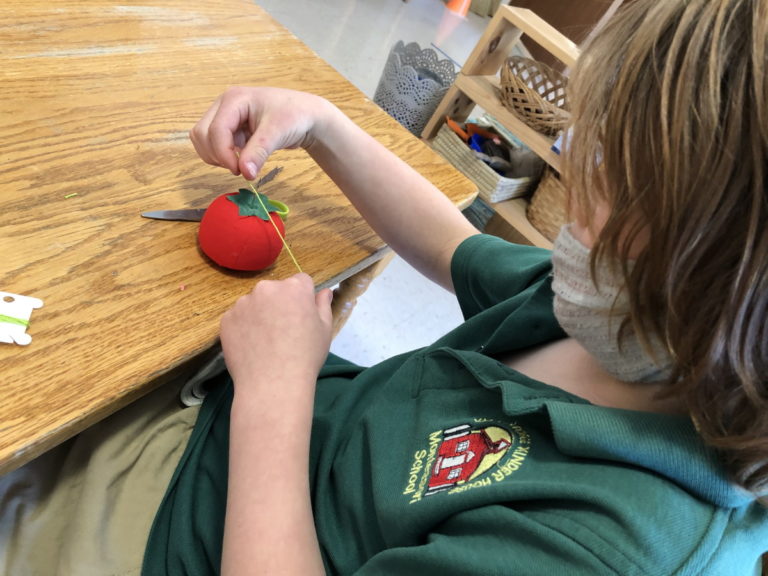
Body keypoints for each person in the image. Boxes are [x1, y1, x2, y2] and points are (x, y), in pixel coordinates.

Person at [1, 0, 767, 574]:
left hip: (171, 539)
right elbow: (453, 246)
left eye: (611, 185)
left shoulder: (602, 546)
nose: (573, 204)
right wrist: (324, 125)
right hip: (237, 438)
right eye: (586, 154)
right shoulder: (624, 321)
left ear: (716, 276)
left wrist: (276, 395)